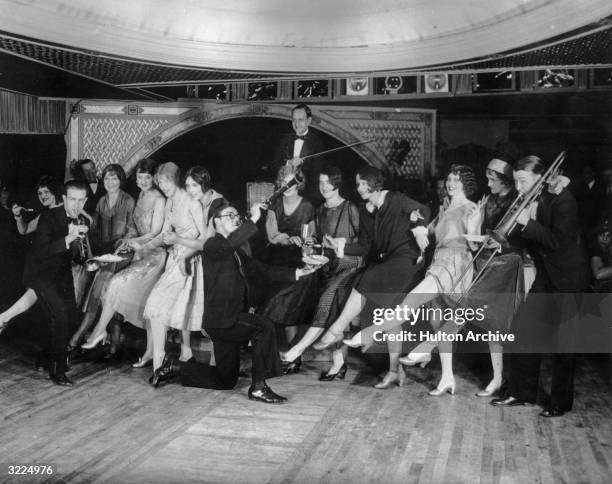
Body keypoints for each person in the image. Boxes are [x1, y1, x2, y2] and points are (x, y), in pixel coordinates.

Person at [152, 201, 318, 403]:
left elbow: (263, 270)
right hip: (222, 320)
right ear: (216, 222)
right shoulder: (213, 245)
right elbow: (227, 245)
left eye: (235, 215)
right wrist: (254, 219)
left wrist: (298, 272)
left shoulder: (236, 251)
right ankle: (258, 387)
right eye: (229, 215)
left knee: (225, 379)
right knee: (263, 327)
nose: (235, 218)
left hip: (224, 321)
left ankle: (175, 367)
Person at [341, 164, 480, 395]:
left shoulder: (471, 208)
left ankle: (369, 334)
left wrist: (475, 223)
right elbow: (431, 234)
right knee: (438, 323)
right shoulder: (445, 207)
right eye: (449, 179)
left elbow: (474, 244)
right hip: (438, 261)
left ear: (466, 183)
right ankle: (447, 378)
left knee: (409, 305)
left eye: (456, 180)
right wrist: (416, 222)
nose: (451, 183)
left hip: (455, 265)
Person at [491, 155, 590, 417]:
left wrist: (527, 223)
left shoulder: (563, 200)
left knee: (564, 345)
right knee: (523, 328)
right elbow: (532, 242)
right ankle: (521, 393)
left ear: (540, 178)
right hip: (547, 276)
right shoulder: (533, 199)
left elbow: (557, 242)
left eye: (523, 181)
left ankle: (560, 403)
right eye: (516, 182)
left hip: (569, 279)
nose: (519, 187)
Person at [314, 165, 430, 389]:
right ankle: (396, 371)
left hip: (407, 259)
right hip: (390, 262)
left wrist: (419, 228)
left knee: (369, 275)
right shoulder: (367, 211)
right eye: (357, 184)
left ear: (375, 184)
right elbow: (366, 247)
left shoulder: (395, 199)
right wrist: (342, 244)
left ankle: (336, 329)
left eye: (363, 184)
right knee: (390, 313)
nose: (359, 188)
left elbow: (423, 210)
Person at [80, 159, 167, 366]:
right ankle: (147, 353)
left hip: (155, 256)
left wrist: (134, 241)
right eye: (140, 176)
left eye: (147, 177)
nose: (143, 181)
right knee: (119, 290)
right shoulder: (141, 196)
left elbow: (155, 232)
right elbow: (134, 228)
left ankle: (99, 331)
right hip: (139, 254)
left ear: (154, 178)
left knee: (117, 285)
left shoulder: (159, 199)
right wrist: (128, 242)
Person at [281, 166, 363, 380]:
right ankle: (339, 364)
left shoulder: (350, 208)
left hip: (350, 266)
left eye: (327, 182)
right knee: (332, 312)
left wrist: (341, 246)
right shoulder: (320, 210)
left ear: (336, 183)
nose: (323, 187)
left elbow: (363, 243)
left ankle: (297, 349)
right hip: (329, 267)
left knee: (325, 304)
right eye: (320, 183)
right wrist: (307, 245)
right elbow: (316, 241)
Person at [20, 180, 90, 385]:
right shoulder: (48, 217)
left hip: (60, 274)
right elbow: (42, 252)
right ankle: (58, 371)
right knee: (59, 315)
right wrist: (69, 238)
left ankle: (47, 356)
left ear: (85, 200)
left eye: (81, 200)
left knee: (69, 314)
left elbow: (74, 255)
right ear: (65, 199)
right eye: (73, 200)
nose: (76, 205)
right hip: (40, 273)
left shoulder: (81, 218)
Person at [143, 162, 206, 372]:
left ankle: (172, 357)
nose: (163, 185)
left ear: (175, 180)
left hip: (190, 261)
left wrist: (184, 254)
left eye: (166, 181)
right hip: (174, 259)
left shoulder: (192, 202)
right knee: (160, 307)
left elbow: (205, 237)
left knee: (170, 307)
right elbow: (163, 234)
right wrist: (143, 247)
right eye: (159, 182)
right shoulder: (169, 202)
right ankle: (164, 360)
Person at [0, 176, 77, 334]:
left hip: (61, 264)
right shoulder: (45, 214)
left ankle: (4, 318)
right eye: (40, 192)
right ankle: (4, 318)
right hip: (44, 263)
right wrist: (18, 216)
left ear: (55, 191)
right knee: (39, 291)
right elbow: (24, 230)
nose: (42, 196)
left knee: (42, 294)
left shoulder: (68, 208)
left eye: (46, 192)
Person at [72, 164, 136, 353]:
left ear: (121, 180)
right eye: (107, 178)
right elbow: (93, 226)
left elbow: (132, 228)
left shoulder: (128, 200)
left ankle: (78, 337)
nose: (110, 182)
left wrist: (125, 243)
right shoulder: (101, 200)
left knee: (100, 285)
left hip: (123, 252)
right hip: (106, 252)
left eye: (114, 178)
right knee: (104, 292)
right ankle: (114, 345)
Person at [270, 103, 326, 205]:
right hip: (284, 196)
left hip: (306, 197)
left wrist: (301, 168)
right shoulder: (284, 139)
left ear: (309, 121)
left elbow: (317, 174)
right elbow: (273, 165)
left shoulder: (317, 142)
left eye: (300, 120)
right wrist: (288, 163)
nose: (296, 124)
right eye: (294, 120)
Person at [588, 220, 612, 292]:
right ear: (596, 236)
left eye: (608, 236)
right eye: (601, 235)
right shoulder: (595, 249)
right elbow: (598, 275)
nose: (604, 239)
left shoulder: (607, 248)